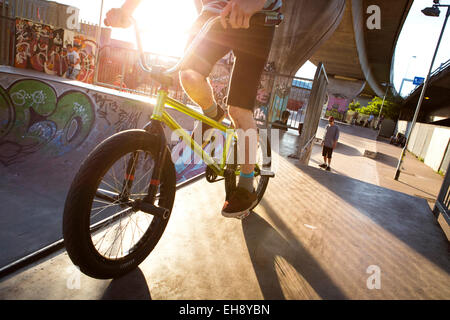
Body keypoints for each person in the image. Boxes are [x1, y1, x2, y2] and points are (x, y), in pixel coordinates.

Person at [104, 0, 283, 218]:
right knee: (188, 74)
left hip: (257, 17)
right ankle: (212, 112)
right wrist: (126, 11)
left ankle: (246, 186)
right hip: (214, 14)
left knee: (238, 109)